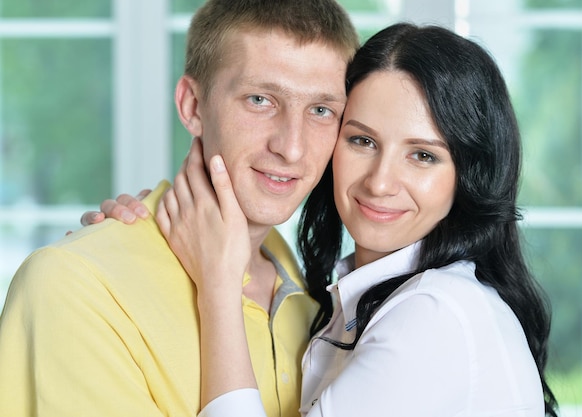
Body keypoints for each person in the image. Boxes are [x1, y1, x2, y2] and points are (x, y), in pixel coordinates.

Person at [149, 23, 560, 416]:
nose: (380, 183)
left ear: (469, 175)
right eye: (362, 141)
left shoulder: (436, 314)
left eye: (422, 156)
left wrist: (218, 287)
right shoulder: (351, 302)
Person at [0, 1, 359, 416]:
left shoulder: (317, 298)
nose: (291, 147)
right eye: (260, 99)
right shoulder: (74, 287)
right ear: (192, 106)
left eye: (321, 110)